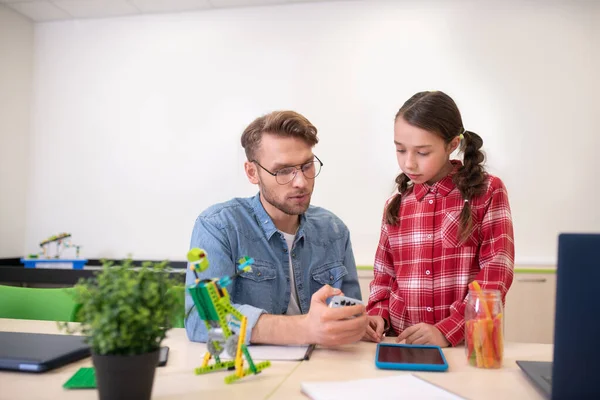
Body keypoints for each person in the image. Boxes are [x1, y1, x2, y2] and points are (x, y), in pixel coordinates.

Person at [185, 110, 367, 346]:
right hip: (250, 374)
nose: (301, 182)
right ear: (252, 172)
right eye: (283, 171)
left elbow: (349, 313)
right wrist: (304, 328)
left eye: (307, 166)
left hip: (325, 366)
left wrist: (358, 323)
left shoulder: (334, 230)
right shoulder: (218, 227)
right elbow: (203, 319)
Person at [363, 91, 514, 347]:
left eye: (422, 152)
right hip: (400, 343)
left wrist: (446, 331)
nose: (408, 163)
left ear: (452, 145)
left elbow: (496, 273)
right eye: (400, 150)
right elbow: (384, 277)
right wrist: (377, 316)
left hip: (464, 346)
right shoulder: (396, 205)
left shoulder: (487, 191)